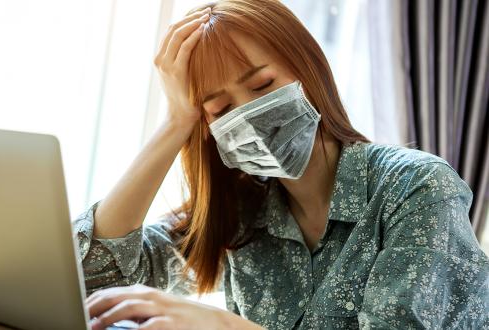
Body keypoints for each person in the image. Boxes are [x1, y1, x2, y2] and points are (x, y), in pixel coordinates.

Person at [73, 0, 489, 329]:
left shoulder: (417, 186)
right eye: (220, 108)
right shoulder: (240, 213)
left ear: (308, 69)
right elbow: (92, 279)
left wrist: (224, 327)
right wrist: (176, 123)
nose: (251, 113)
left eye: (262, 85)